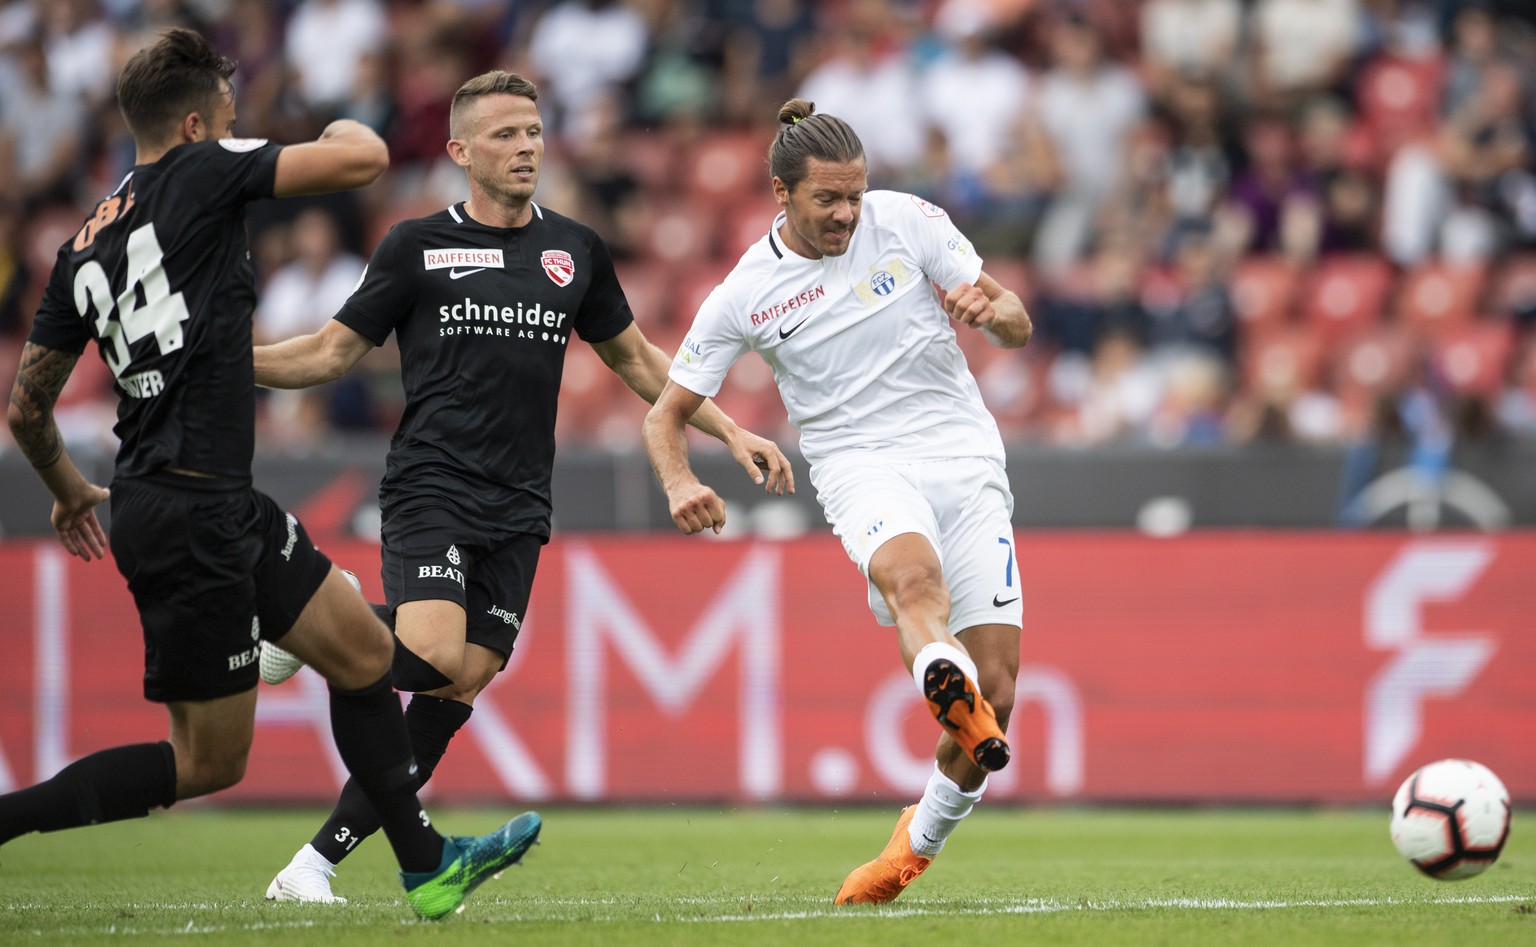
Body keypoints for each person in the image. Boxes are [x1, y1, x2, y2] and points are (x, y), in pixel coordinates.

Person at [0, 28, 538, 922]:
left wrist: (66, 491)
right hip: (195, 507)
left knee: (364, 655)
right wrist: (336, 100)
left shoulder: (80, 247)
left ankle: (425, 863)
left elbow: (25, 407)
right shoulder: (204, 166)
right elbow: (362, 156)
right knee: (209, 761)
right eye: (229, 116)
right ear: (194, 120)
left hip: (186, 498)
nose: (235, 128)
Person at [251, 70, 791, 902]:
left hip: (520, 502)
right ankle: (320, 617)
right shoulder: (415, 245)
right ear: (462, 151)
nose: (527, 147)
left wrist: (728, 429)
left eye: (535, 132)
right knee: (429, 652)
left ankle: (313, 864)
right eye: (505, 135)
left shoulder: (573, 249)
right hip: (432, 482)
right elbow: (329, 351)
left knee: (459, 677)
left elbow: (641, 361)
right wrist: (231, 364)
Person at [642, 98, 1033, 905]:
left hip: (965, 456)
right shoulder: (744, 294)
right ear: (781, 194)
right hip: (862, 466)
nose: (848, 214)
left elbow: (1017, 321)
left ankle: (912, 845)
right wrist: (682, 479)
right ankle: (938, 675)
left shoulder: (910, 221)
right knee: (914, 583)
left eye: (855, 195)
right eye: (828, 199)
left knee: (996, 691)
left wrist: (992, 314)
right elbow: (664, 414)